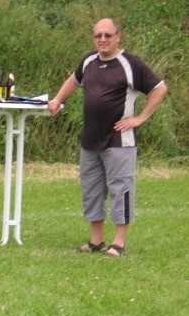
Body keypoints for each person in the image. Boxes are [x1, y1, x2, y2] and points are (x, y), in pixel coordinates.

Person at [47, 17, 167, 257]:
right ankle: (96, 241)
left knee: (121, 189)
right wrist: (58, 99)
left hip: (119, 141)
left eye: (108, 35)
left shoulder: (130, 64)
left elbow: (159, 88)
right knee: (91, 189)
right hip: (90, 141)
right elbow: (74, 79)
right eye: (98, 35)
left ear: (118, 37)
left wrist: (140, 118)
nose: (103, 39)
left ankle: (118, 243)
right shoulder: (89, 61)